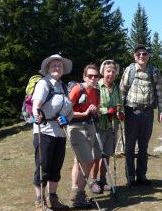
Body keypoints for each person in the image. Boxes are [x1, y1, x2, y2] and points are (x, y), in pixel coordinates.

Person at [32, 54, 73, 210]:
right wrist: (37, 114)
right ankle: (40, 202)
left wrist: (67, 118)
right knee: (43, 167)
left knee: (56, 167)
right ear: (48, 68)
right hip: (44, 130)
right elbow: (37, 103)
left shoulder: (63, 86)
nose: (57, 68)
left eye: (60, 66)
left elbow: (70, 109)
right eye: (54, 65)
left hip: (60, 132)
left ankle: (52, 199)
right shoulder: (44, 84)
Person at [119, 44, 162, 186]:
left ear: (148, 56)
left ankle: (141, 175)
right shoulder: (129, 70)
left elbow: (160, 92)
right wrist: (119, 110)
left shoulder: (154, 71)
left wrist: (161, 110)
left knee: (143, 146)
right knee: (130, 146)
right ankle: (130, 177)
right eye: (138, 54)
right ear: (134, 56)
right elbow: (122, 90)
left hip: (148, 113)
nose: (141, 56)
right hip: (131, 112)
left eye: (144, 54)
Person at [67, 64, 100, 208]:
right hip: (75, 127)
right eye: (90, 76)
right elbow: (65, 111)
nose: (93, 78)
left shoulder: (96, 92)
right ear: (84, 77)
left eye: (96, 76)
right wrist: (84, 113)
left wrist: (93, 111)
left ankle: (76, 191)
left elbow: (96, 110)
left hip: (89, 126)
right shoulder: (77, 89)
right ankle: (78, 194)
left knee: (79, 161)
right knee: (88, 161)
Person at [90, 60, 124, 192]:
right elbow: (94, 107)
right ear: (103, 72)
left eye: (113, 71)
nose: (110, 73)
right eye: (108, 71)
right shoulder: (97, 86)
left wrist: (120, 113)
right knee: (97, 155)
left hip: (113, 126)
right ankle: (93, 182)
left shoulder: (116, 87)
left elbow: (120, 104)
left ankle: (102, 180)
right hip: (99, 126)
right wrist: (106, 111)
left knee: (108, 154)